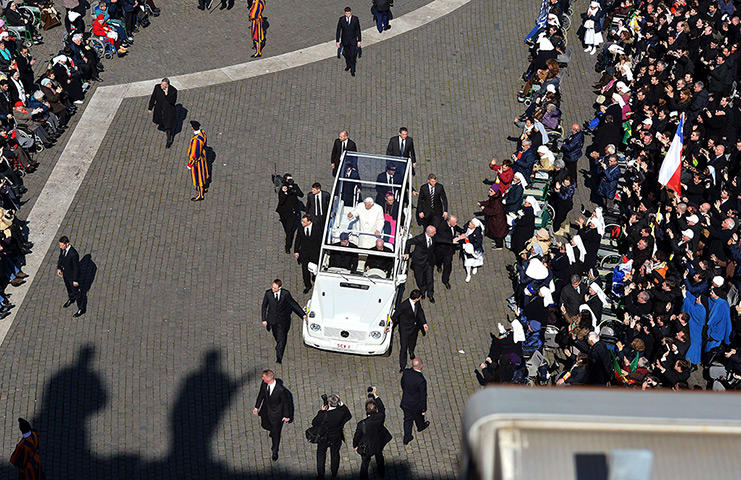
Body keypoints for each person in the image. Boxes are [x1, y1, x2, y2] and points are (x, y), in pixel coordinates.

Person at [260, 279, 306, 363]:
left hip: (282, 320)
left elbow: (293, 304)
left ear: (279, 288)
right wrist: (264, 319)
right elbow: (264, 306)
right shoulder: (268, 294)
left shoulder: (285, 294)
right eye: (272, 287)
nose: (273, 289)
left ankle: (279, 356)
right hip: (272, 320)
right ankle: (279, 345)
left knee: (281, 338)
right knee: (276, 335)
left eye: (275, 288)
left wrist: (303, 314)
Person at [253, 369, 293, 462]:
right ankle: (271, 429)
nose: (262, 378)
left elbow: (286, 403)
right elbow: (261, 394)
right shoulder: (264, 384)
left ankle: (275, 451)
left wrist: (287, 416)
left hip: (276, 414)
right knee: (264, 425)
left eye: (263, 377)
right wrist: (256, 406)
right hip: (265, 410)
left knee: (275, 434)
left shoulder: (281, 390)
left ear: (268, 378)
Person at [310, 394, 352, 480]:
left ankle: (321, 475)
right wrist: (341, 402)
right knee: (335, 453)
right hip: (335, 436)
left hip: (323, 437)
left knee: (321, 454)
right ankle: (334, 473)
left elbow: (314, 423)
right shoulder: (341, 413)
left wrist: (321, 411)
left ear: (329, 404)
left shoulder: (324, 415)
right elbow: (348, 414)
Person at [353, 388, 392, 480]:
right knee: (379, 457)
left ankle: (363, 478)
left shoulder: (362, 424)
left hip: (367, 445)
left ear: (366, 411)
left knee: (365, 462)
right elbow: (382, 408)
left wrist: (355, 445)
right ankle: (381, 473)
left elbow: (357, 436)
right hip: (378, 441)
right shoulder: (380, 416)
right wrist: (376, 395)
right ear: (376, 410)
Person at [392, 289, 428, 372]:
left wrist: (424, 323)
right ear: (416, 298)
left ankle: (411, 351)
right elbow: (395, 315)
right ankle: (402, 366)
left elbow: (420, 312)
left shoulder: (417, 303)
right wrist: (390, 325)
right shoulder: (404, 305)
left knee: (413, 341)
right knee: (403, 347)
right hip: (405, 329)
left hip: (414, 328)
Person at [400, 357, 429, 445]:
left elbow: (402, 383)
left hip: (406, 402)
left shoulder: (406, 372)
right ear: (421, 366)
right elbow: (423, 396)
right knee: (419, 417)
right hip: (416, 405)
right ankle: (420, 426)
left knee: (408, 419)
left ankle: (407, 437)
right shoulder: (421, 380)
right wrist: (424, 409)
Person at [404, 225, 437, 302]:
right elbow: (408, 242)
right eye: (434, 232)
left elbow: (441, 239)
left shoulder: (434, 237)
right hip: (419, 262)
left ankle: (430, 294)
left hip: (429, 262)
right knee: (420, 279)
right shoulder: (420, 238)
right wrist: (407, 253)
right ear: (430, 233)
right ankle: (422, 290)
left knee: (430, 279)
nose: (436, 233)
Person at [56, 235, 85, 317]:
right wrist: (59, 268)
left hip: (72, 276)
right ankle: (71, 298)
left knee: (76, 293)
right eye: (60, 245)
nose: (61, 247)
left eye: (62, 245)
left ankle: (81, 308)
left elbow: (76, 268)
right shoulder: (63, 249)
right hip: (66, 274)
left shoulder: (74, 254)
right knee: (68, 288)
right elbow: (61, 258)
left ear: (67, 244)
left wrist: (75, 280)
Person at [275, 173, 303, 254]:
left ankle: (288, 246)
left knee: (289, 230)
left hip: (292, 213)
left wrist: (293, 190)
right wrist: (285, 192)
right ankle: (288, 237)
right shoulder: (282, 189)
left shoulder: (295, 186)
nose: (291, 181)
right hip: (283, 214)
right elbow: (281, 201)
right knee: (287, 230)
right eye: (289, 179)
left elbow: (301, 194)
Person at [294, 214, 322, 293]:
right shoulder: (300, 227)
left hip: (314, 252)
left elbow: (320, 240)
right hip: (304, 252)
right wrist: (296, 250)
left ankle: (315, 277)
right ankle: (307, 285)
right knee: (305, 269)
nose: (302, 223)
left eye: (304, 222)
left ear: (309, 222)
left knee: (315, 267)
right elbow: (298, 238)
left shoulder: (317, 228)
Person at [435, 215, 463, 289]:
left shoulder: (452, 224)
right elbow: (449, 238)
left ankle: (445, 280)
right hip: (441, 249)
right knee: (439, 260)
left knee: (448, 266)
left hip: (449, 251)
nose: (456, 224)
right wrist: (459, 237)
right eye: (454, 223)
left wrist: (461, 231)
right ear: (449, 222)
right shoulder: (441, 227)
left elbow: (455, 227)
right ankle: (438, 266)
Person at [148, 78, 178, 148]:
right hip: (159, 109)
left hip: (168, 112)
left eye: (163, 85)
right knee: (159, 120)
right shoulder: (157, 87)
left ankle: (169, 139)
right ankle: (163, 126)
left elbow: (173, 101)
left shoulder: (173, 91)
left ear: (167, 85)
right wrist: (150, 107)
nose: (161, 86)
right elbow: (153, 97)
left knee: (168, 126)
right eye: (161, 84)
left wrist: (167, 94)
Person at [479, 185, 508, 250]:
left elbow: (494, 211)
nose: (489, 192)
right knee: (497, 233)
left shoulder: (496, 201)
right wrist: (482, 203)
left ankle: (499, 246)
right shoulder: (495, 197)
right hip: (496, 219)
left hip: (498, 220)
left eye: (491, 191)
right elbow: (489, 203)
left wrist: (484, 209)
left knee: (498, 233)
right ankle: (497, 242)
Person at [336, 7, 361, 76]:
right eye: (346, 14)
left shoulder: (355, 19)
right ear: (345, 13)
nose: (348, 15)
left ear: (351, 12)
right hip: (345, 41)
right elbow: (338, 30)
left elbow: (358, 30)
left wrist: (359, 40)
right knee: (347, 54)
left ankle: (353, 70)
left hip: (353, 40)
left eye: (349, 13)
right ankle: (348, 65)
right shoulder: (341, 20)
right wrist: (337, 41)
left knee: (353, 55)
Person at [186, 121, 208, 202]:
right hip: (203, 157)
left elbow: (195, 155)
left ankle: (200, 194)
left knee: (198, 177)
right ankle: (204, 188)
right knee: (203, 174)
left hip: (197, 162)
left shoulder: (196, 140)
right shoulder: (203, 133)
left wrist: (190, 164)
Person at [459, 218, 485, 283]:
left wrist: (471, 246)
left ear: (475, 226)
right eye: (470, 222)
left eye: (471, 224)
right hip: (466, 248)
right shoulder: (466, 227)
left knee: (475, 260)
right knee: (467, 262)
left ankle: (475, 267)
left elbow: (478, 243)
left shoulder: (477, 233)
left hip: (474, 250)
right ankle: (468, 274)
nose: (469, 224)